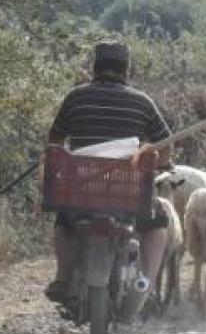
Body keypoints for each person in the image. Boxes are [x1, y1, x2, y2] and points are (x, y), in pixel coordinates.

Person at [44, 42, 174, 305]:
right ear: (126, 69)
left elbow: (55, 141)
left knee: (64, 222)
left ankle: (62, 276)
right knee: (159, 224)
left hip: (81, 193)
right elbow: (165, 144)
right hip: (126, 195)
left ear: (95, 67)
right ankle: (147, 286)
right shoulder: (142, 101)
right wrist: (162, 163)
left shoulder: (76, 97)